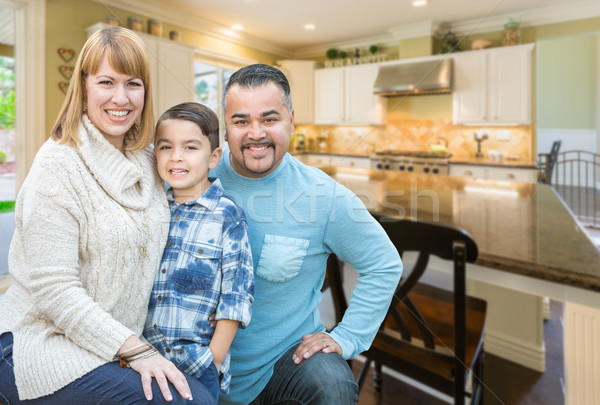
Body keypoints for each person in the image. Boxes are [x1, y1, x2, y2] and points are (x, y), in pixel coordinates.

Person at [0, 27, 214, 404]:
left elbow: (203, 160)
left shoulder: (148, 159)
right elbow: (56, 292)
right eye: (106, 82)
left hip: (111, 341)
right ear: (83, 87)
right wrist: (136, 350)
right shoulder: (57, 167)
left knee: (201, 393)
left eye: (133, 83)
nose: (121, 97)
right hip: (38, 344)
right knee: (189, 401)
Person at [210, 63, 403, 405]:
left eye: (270, 119)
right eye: (241, 121)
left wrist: (347, 336)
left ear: (291, 121)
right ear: (226, 128)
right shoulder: (195, 173)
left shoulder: (323, 197)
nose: (256, 133)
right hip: (198, 364)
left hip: (283, 363)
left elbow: (384, 264)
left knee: (332, 386)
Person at [143, 102, 254, 403]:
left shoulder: (227, 217)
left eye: (190, 147)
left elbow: (236, 299)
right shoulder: (152, 209)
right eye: (166, 147)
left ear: (214, 157)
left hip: (194, 365)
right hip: (143, 359)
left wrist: (212, 361)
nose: (176, 157)